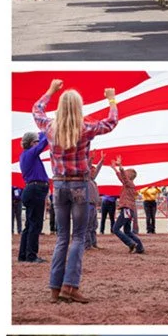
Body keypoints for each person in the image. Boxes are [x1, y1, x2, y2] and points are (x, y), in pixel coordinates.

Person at [31, 78, 119, 303]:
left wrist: (50, 90)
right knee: (78, 237)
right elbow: (111, 122)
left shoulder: (50, 127)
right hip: (80, 184)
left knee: (62, 237)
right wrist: (111, 98)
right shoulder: (86, 127)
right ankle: (70, 286)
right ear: (79, 107)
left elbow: (37, 109)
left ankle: (54, 288)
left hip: (58, 185)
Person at [18, 129, 50, 264]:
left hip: (31, 189)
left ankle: (23, 255)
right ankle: (31, 255)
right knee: (35, 224)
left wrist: (45, 128)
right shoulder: (31, 153)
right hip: (36, 190)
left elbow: (42, 138)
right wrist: (50, 130)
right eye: (35, 141)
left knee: (29, 224)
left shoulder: (25, 155)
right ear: (32, 143)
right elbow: (44, 142)